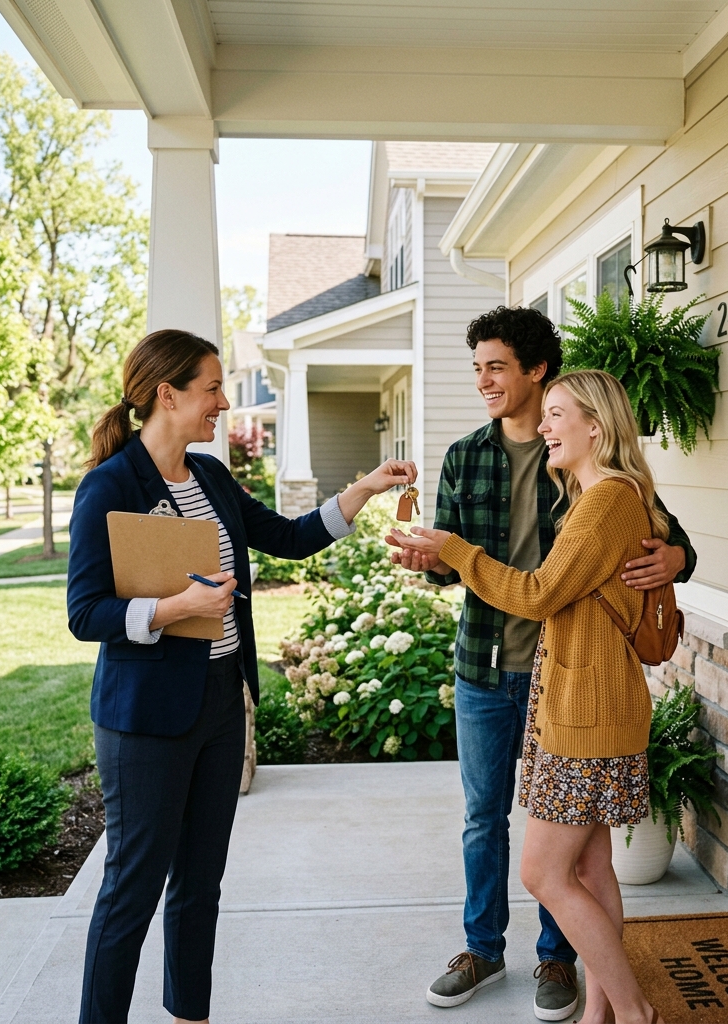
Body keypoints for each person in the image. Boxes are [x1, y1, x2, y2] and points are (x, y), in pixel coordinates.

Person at [67, 328, 416, 1024]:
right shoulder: (111, 485)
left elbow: (288, 537)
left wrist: (366, 490)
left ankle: (189, 1015)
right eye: (213, 388)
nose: (224, 402)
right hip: (146, 723)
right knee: (131, 891)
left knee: (200, 886)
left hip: (223, 706)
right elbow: (86, 612)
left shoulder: (212, 478)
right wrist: (176, 608)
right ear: (168, 395)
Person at [386, 307, 694, 1021]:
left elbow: (561, 584)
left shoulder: (595, 491)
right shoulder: (486, 460)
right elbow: (470, 569)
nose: (484, 380)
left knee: (548, 869)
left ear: (537, 371)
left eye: (497, 366)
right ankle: (527, 971)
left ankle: (586, 980)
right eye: (477, 368)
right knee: (522, 835)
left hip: (573, 691)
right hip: (501, 672)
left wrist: (676, 558)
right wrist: (431, 559)